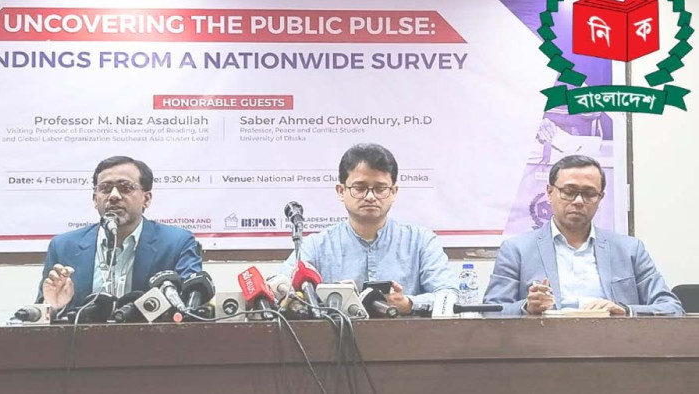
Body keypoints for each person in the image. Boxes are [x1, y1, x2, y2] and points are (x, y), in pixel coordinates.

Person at [484, 155, 683, 316]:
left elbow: (671, 307)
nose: (579, 201)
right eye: (569, 191)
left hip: (614, 344)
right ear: (549, 192)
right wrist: (527, 307)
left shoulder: (630, 249)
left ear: (600, 197)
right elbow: (491, 310)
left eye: (589, 194)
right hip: (545, 346)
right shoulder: (517, 249)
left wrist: (625, 310)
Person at [281, 143, 457, 315]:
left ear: (394, 192)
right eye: (360, 188)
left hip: (408, 335)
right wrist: (327, 300)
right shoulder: (316, 246)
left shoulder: (420, 241)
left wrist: (409, 304)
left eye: (380, 188)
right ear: (341, 191)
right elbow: (280, 290)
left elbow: (450, 294)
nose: (371, 196)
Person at [38, 156, 202, 311]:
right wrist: (55, 307)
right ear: (95, 199)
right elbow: (42, 312)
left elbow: (192, 306)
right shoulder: (64, 246)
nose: (114, 196)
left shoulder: (177, 243)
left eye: (125, 187)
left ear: (146, 199)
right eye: (105, 188)